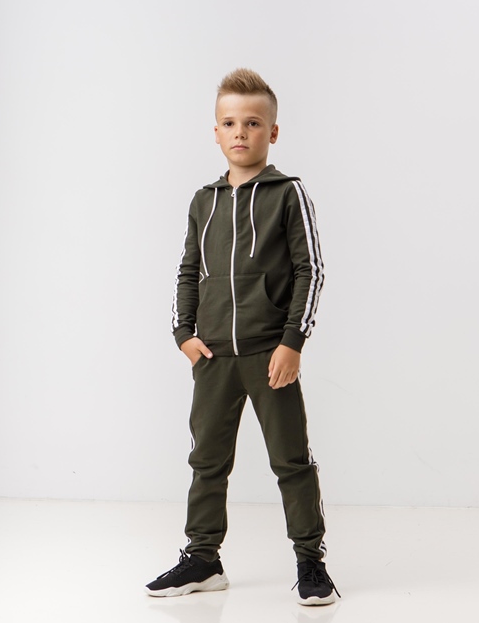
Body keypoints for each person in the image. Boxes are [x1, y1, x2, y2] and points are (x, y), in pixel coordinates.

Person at [145, 68, 340, 606]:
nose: (240, 132)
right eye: (229, 123)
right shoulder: (202, 200)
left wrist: (292, 341)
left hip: (269, 353)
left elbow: (311, 269)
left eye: (253, 123)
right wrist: (183, 333)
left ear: (271, 132)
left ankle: (310, 561)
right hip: (212, 356)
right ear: (216, 132)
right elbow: (188, 270)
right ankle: (203, 559)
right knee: (206, 461)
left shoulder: (287, 193)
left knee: (291, 461)